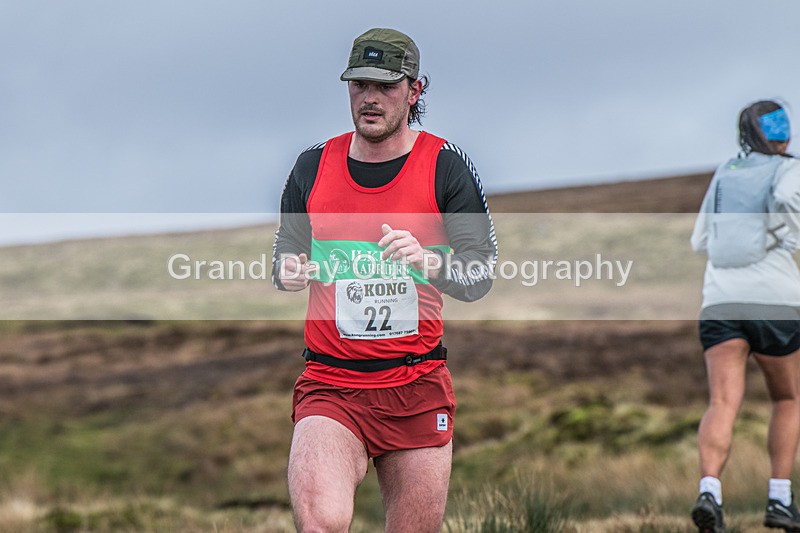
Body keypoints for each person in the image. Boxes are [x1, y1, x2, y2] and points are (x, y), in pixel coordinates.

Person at [271, 28, 497, 532]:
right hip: (331, 385)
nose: (369, 98)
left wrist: (430, 263)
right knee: (321, 523)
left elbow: (481, 272)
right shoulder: (312, 167)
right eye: (359, 84)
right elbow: (286, 248)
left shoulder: (445, 167)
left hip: (417, 384)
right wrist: (286, 271)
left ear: (415, 91)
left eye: (386, 86)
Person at [690, 99, 800, 532]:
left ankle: (710, 491)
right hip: (774, 300)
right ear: (781, 134)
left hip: (720, 300)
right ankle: (779, 500)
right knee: (787, 398)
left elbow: (700, 241)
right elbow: (790, 199)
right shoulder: (789, 170)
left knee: (722, 402)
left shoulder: (724, 173)